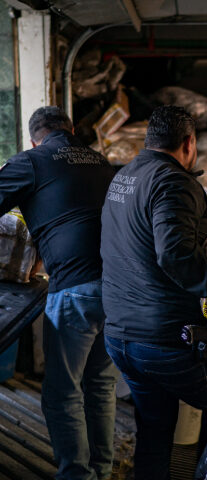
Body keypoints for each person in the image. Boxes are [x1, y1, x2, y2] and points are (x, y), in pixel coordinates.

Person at [100, 105, 207, 479]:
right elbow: (175, 256)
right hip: (164, 340)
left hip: (121, 336)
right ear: (189, 143)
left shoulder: (123, 177)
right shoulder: (175, 183)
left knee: (155, 426)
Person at [0, 106, 118, 480]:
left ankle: (77, 476)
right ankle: (101, 470)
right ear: (70, 130)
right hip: (120, 288)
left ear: (34, 138)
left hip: (75, 290)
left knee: (62, 392)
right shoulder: (101, 161)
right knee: (99, 385)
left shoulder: (32, 160)